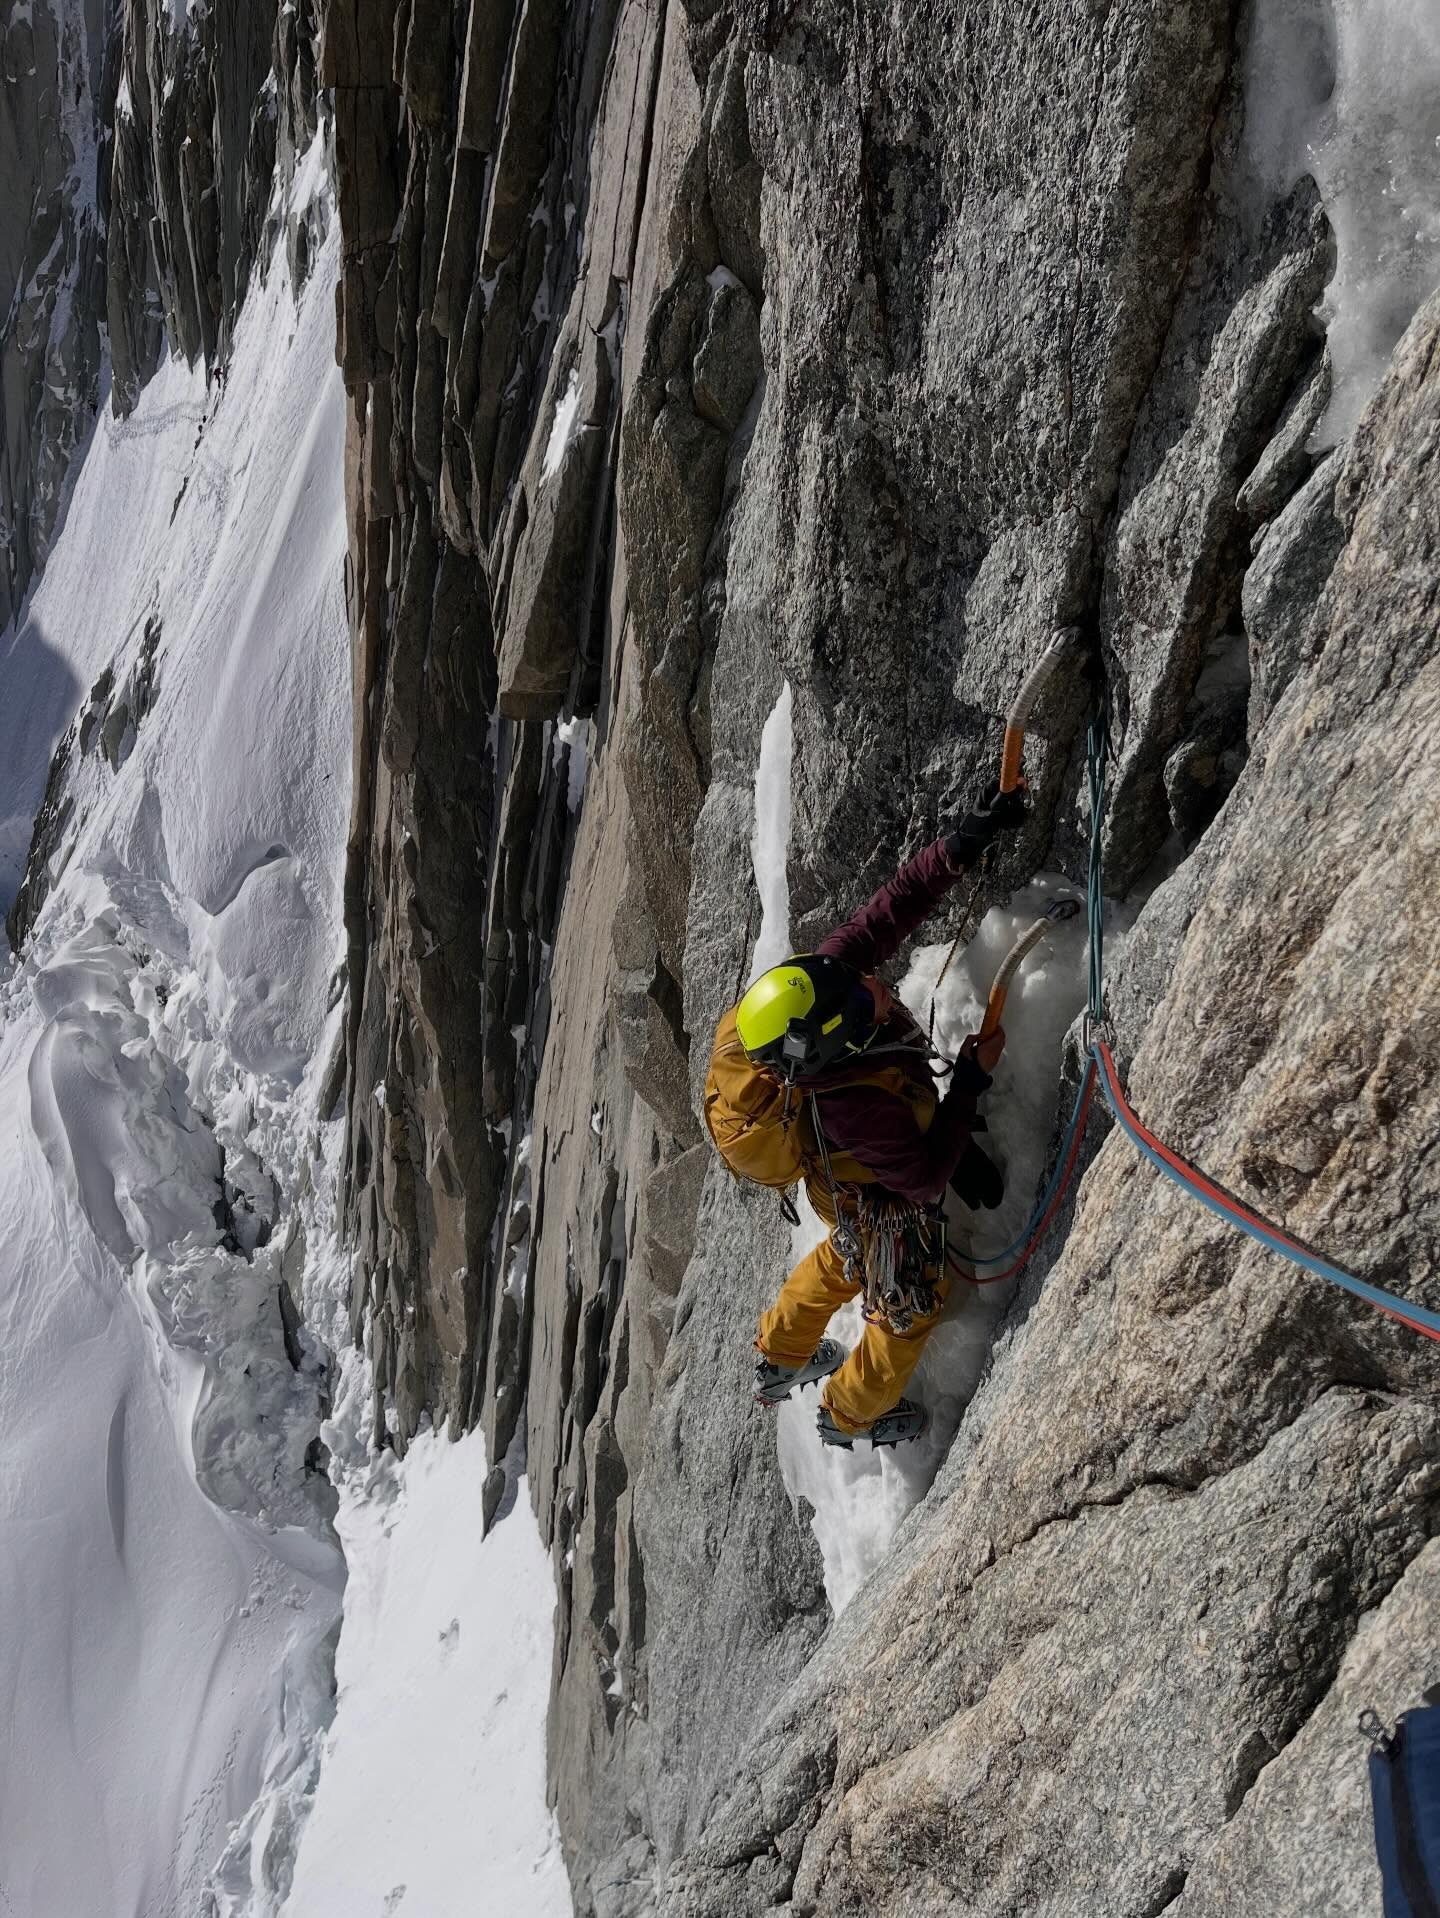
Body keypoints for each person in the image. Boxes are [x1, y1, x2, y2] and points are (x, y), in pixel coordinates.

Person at [728, 784, 1026, 1448]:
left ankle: (782, 1352)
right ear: (831, 1036)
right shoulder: (854, 1103)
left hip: (851, 1170)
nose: (870, 983)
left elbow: (890, 910)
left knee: (844, 1255)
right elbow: (918, 1182)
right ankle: (849, 1415)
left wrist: (957, 848)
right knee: (908, 1299)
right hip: (876, 1185)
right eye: (859, 996)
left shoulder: (824, 989)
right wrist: (969, 1087)